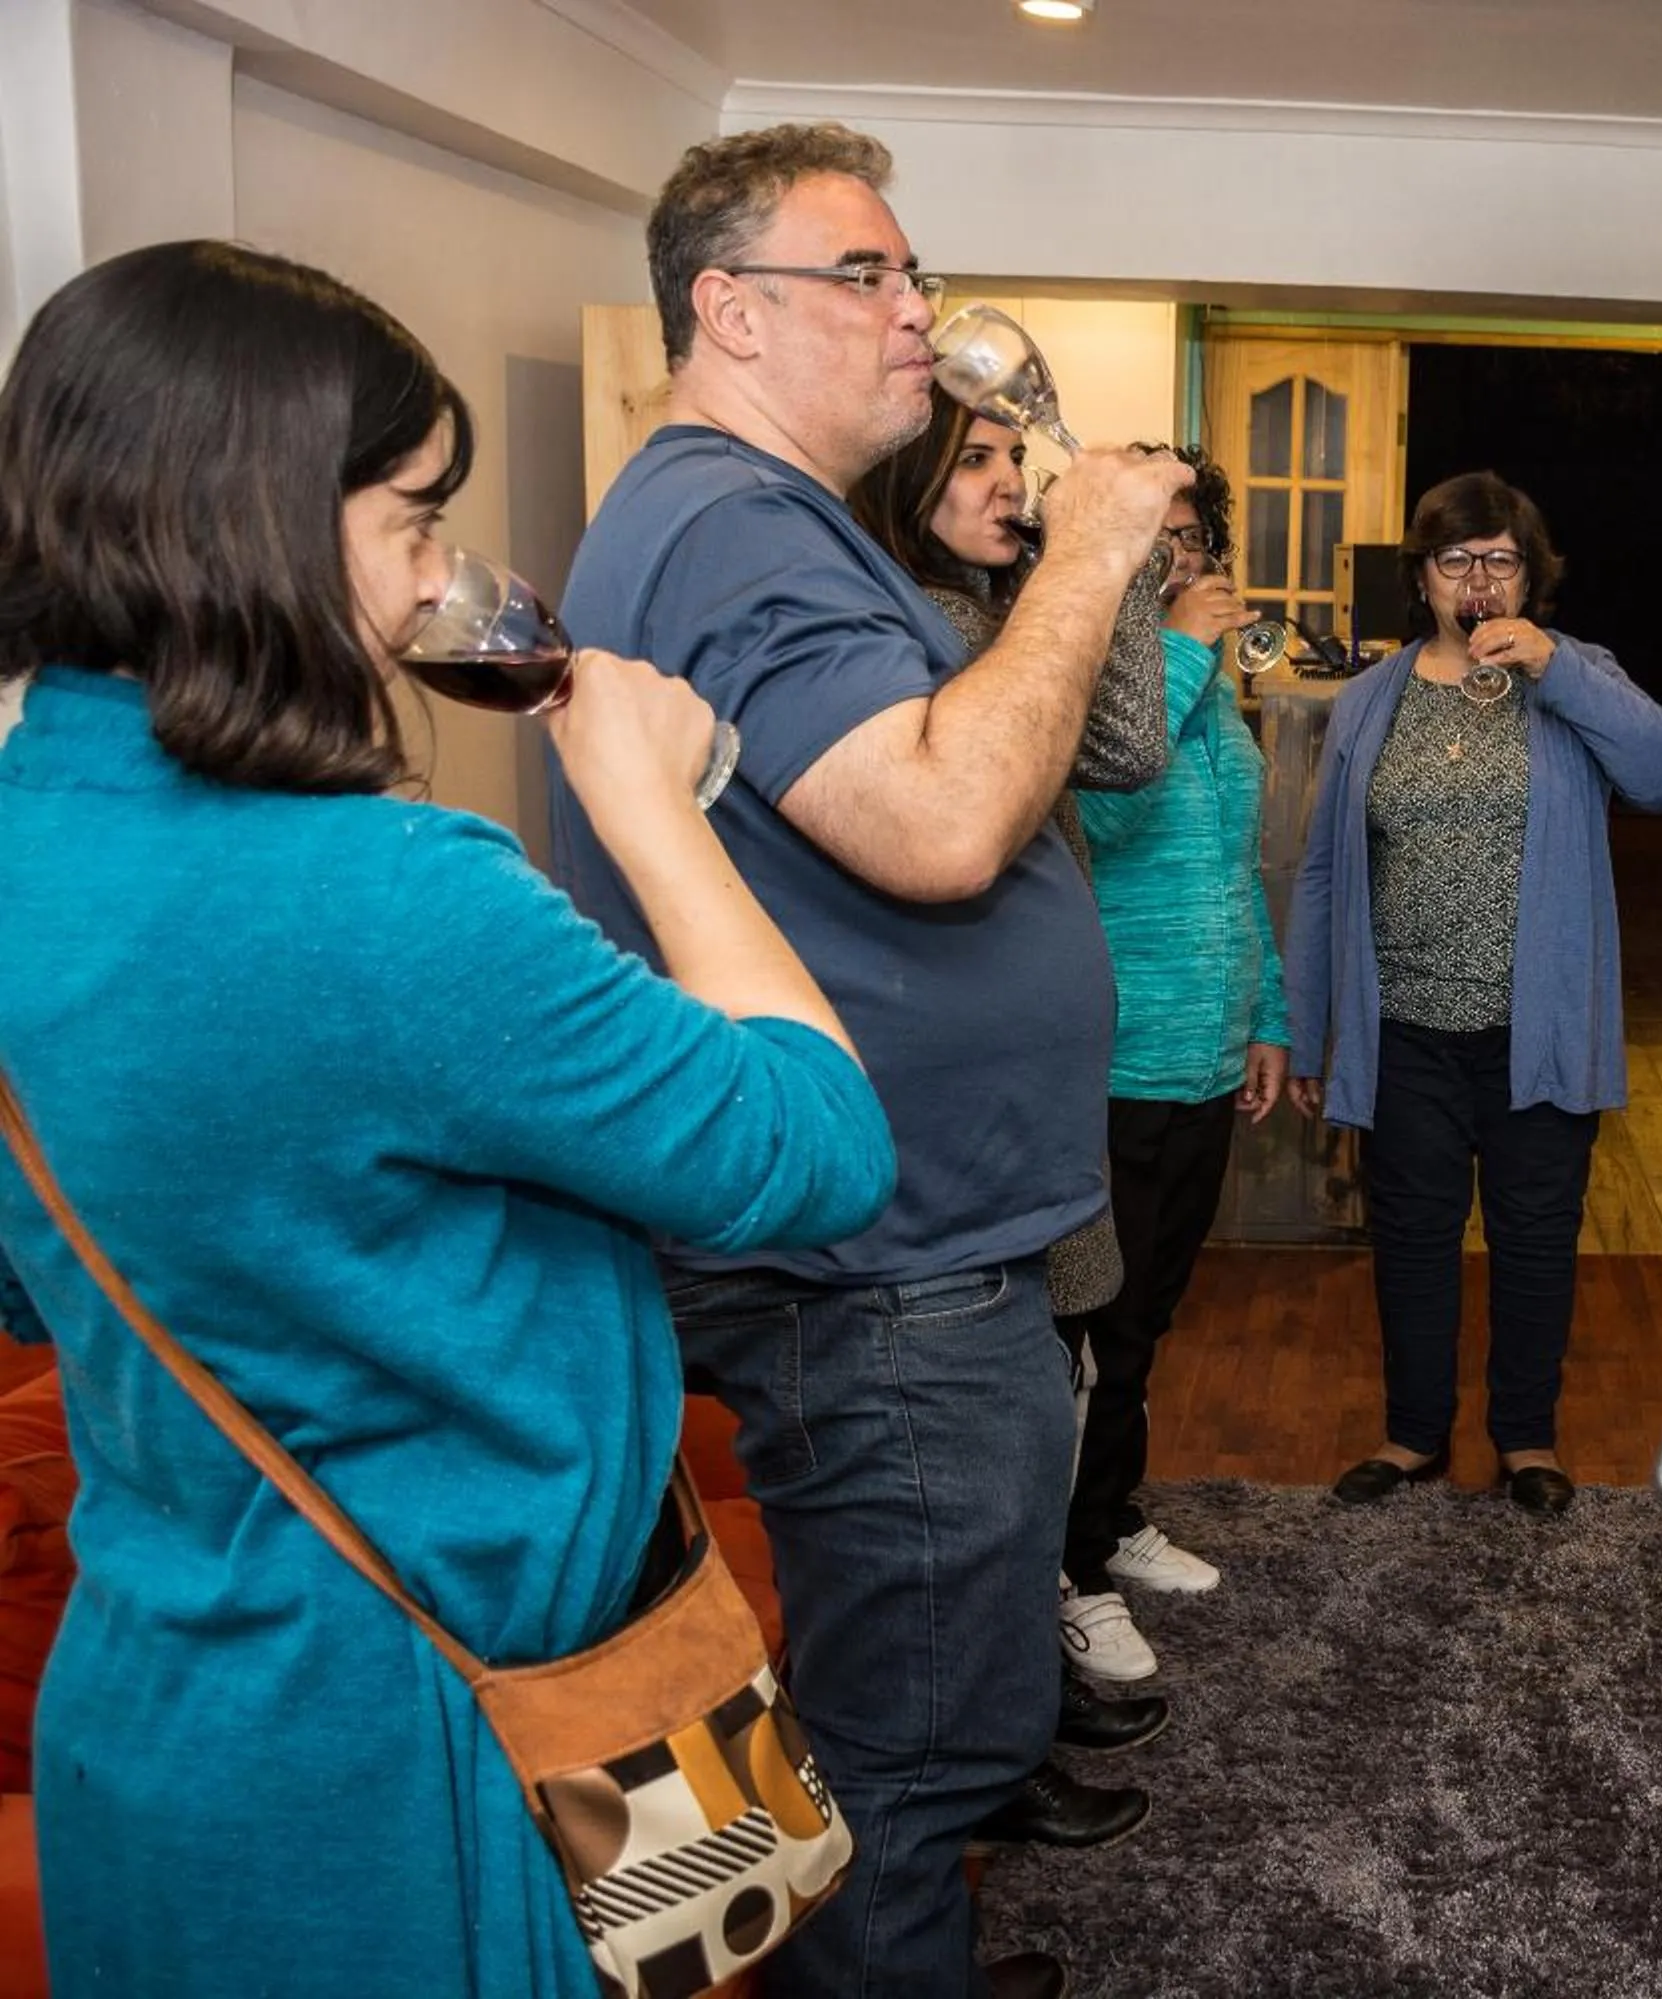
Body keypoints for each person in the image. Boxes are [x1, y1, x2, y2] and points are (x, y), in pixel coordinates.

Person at [0, 241, 894, 1993]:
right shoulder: (394, 892)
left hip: (158, 1733)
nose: (435, 584)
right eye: (414, 520)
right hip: (436, 1762)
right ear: (248, 523)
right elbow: (814, 1145)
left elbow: (41, 1289)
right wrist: (653, 809)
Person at [546, 122, 1190, 1999]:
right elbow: (938, 820)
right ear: (724, 309)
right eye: (870, 277)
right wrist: (1086, 549)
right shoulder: (730, 520)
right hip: (882, 1268)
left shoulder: (773, 521)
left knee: (920, 1736)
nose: (918, 317)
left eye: (913, 276)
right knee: (910, 1758)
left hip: (905, 1235)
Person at [846, 386, 1172, 1828]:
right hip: (964, 1114)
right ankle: (992, 1744)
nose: (1006, 480)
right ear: (905, 476)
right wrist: (1080, 574)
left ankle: (1021, 1695)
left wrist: (1114, 571)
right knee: (992, 1438)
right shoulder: (920, 625)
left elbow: (1125, 752)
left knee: (1047, 1393)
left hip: (1040, 1103)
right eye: (970, 460)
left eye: (1009, 457)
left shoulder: (1010, 609)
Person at [1286, 472, 1662, 1515]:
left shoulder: (1572, 678)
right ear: (1420, 578)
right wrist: (1308, 1027)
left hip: (1538, 1030)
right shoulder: (1371, 699)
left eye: (1498, 560)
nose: (1476, 581)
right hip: (1405, 1030)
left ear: (1530, 574)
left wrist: (1556, 667)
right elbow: (1326, 870)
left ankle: (1525, 1436)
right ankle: (1412, 1431)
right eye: (1453, 561)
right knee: (1412, 1241)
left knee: (1533, 1238)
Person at [1058, 447, 1291, 1667]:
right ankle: (1065, 1565)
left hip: (1206, 1052)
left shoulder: (1205, 688)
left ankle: (1108, 1518)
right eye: (1159, 536)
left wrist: (1271, 1015)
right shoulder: (1087, 667)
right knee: (1085, 1328)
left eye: (1196, 536)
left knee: (1147, 1316)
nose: (1183, 558)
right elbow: (1104, 809)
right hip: (1113, 1055)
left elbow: (1231, 863)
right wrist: (1182, 653)